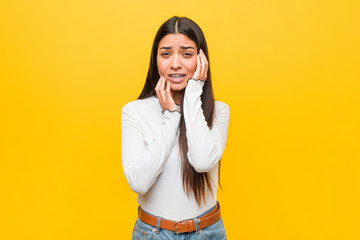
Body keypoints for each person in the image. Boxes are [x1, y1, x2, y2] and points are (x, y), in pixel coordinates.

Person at [121, 16, 230, 240]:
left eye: (187, 53)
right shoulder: (134, 111)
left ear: (202, 60)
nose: (175, 64)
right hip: (153, 234)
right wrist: (171, 116)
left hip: (207, 233)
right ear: (156, 60)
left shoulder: (219, 111)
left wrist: (193, 93)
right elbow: (139, 183)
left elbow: (202, 161)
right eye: (166, 53)